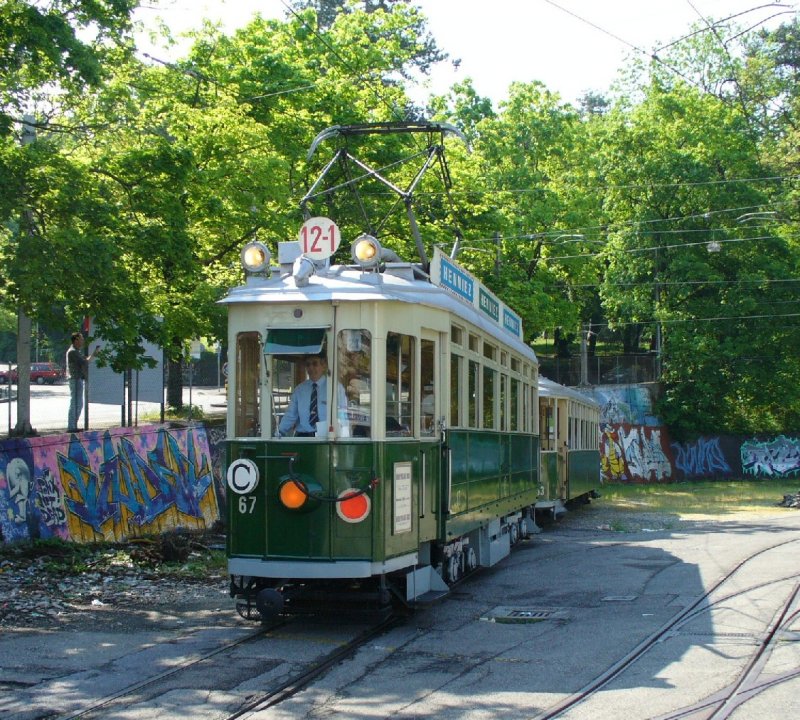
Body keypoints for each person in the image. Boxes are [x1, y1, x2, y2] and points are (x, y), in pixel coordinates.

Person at [277, 354, 346, 437]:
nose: (311, 368)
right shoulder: (299, 390)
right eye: (308, 365)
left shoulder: (335, 388)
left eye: (314, 364)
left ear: (323, 366)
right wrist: (279, 433)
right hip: (303, 437)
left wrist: (344, 435)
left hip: (326, 437)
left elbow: (343, 414)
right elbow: (290, 415)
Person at [66, 332, 99, 433]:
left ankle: (73, 425)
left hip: (77, 379)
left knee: (78, 403)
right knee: (76, 403)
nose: (83, 341)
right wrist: (93, 354)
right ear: (76, 340)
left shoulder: (76, 351)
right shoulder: (72, 352)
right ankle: (71, 427)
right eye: (81, 339)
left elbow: (84, 360)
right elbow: (84, 362)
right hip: (75, 379)